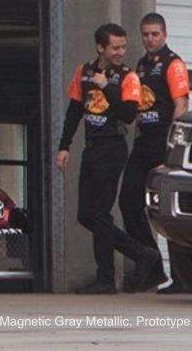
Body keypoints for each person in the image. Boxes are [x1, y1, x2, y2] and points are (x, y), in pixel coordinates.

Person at [55, 23, 160, 295]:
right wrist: (64, 146)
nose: (120, 52)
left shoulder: (128, 77)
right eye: (115, 47)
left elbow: (128, 114)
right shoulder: (85, 71)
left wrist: (107, 88)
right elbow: (74, 111)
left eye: (123, 47)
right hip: (91, 149)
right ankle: (141, 253)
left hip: (112, 148)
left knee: (101, 213)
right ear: (100, 47)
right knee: (85, 216)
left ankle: (105, 279)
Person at [119, 12, 189, 294]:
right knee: (128, 203)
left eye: (155, 34)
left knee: (167, 211)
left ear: (165, 35)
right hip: (143, 141)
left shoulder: (173, 64)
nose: (150, 39)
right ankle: (153, 266)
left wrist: (173, 145)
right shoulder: (141, 66)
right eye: (146, 34)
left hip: (164, 141)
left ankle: (182, 278)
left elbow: (181, 104)